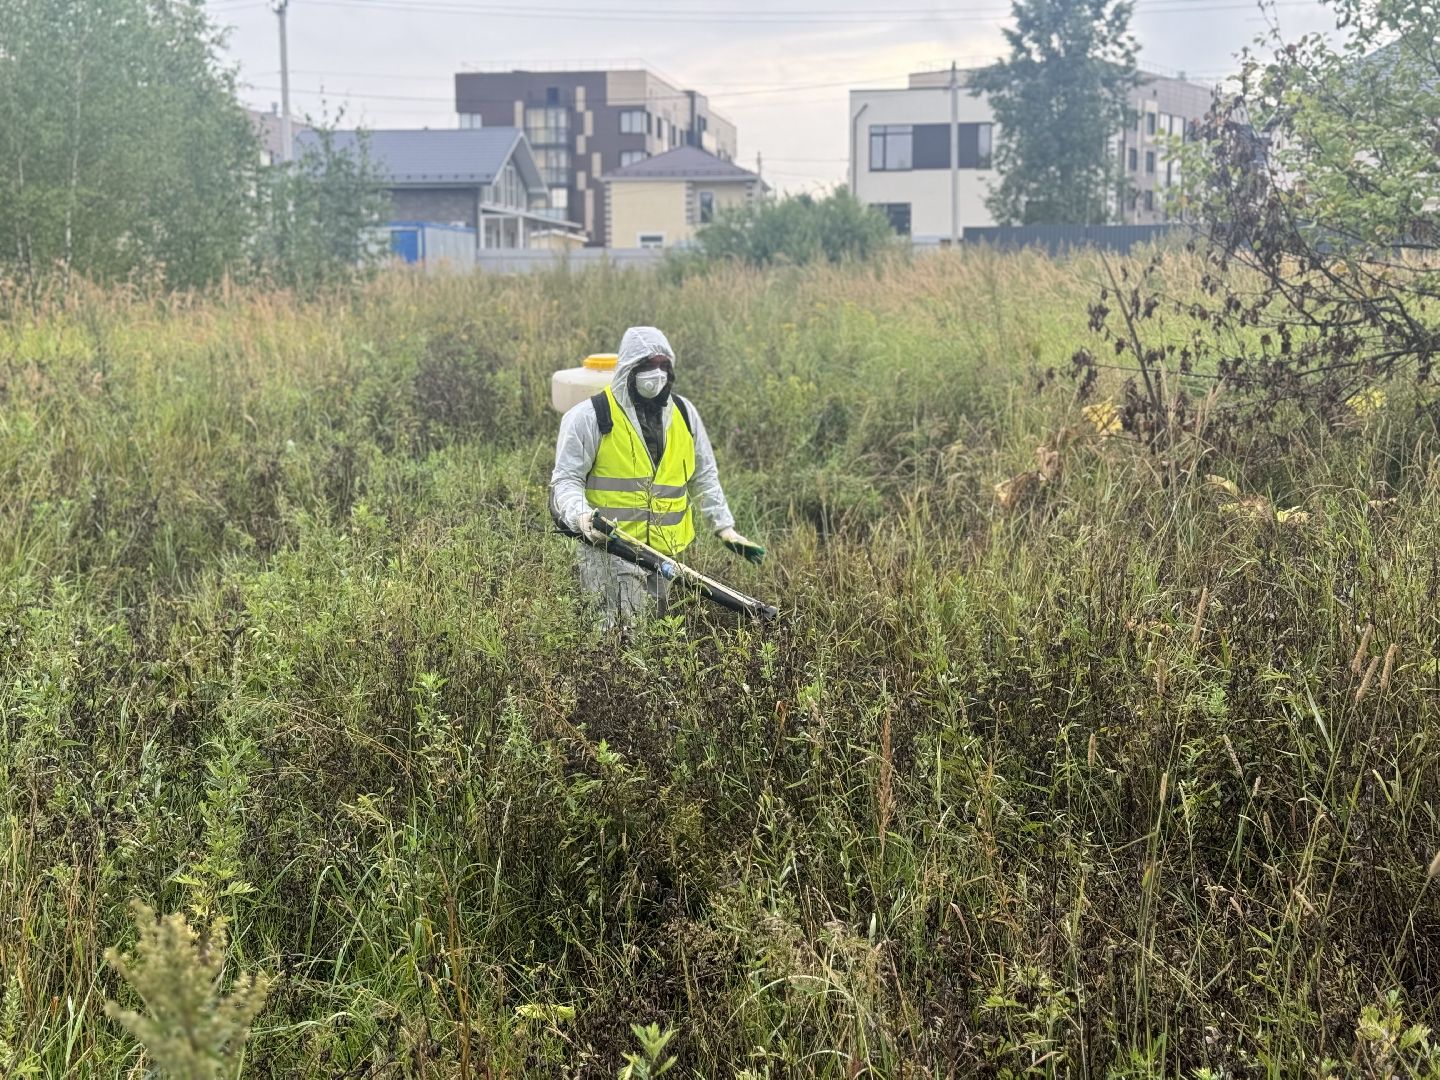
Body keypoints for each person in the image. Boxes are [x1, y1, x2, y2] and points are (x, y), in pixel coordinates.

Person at [550, 326, 765, 628]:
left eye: (663, 365)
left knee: (655, 636)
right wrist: (581, 517)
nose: (657, 372)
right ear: (629, 367)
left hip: (665, 557)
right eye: (648, 364)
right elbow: (565, 480)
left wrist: (724, 527)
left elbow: (705, 474)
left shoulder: (684, 413)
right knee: (620, 637)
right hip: (612, 552)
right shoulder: (590, 416)